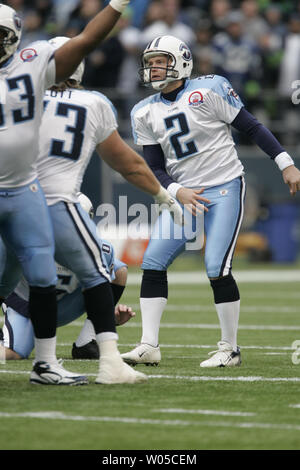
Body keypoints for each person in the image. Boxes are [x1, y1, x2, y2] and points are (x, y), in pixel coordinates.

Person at [0, 1, 182, 386]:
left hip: (26, 193)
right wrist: (164, 196)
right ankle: (101, 357)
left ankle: (52, 362)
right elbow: (129, 164)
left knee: (42, 276)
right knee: (98, 272)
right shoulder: (88, 100)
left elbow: (84, 39)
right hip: (48, 198)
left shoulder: (30, 72)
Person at [121, 35, 300, 368]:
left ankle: (229, 348)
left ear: (181, 61)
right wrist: (176, 190)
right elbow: (154, 167)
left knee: (217, 266)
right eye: (151, 62)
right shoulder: (143, 111)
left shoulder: (209, 90)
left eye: (161, 61)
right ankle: (148, 345)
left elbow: (252, 127)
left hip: (223, 186)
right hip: (184, 195)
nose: (154, 68)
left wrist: (285, 162)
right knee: (153, 261)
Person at [1, 193, 134, 361]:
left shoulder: (101, 250)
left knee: (119, 271)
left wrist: (106, 315)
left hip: (63, 304)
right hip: (26, 304)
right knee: (13, 353)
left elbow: (99, 286)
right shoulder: (28, 242)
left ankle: (87, 341)